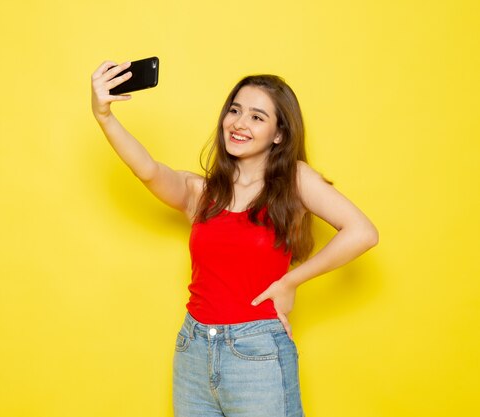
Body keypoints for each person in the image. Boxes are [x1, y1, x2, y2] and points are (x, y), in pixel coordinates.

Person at [91, 60, 379, 417]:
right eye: (235, 110)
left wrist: (291, 281)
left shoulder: (294, 181)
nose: (239, 123)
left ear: (279, 134)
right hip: (193, 350)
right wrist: (105, 117)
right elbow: (147, 170)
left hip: (257, 353)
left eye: (257, 117)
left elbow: (362, 232)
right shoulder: (200, 191)